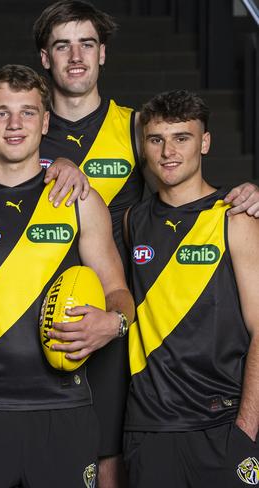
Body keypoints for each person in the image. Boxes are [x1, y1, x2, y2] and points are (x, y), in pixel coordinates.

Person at [0, 2, 259, 485]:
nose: (76, 56)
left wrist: (249, 191)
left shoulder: (133, 126)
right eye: (63, 45)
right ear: (45, 58)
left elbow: (185, 184)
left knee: (111, 465)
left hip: (123, 314)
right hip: (39, 324)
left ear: (103, 53)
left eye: (87, 43)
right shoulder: (18, 127)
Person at [0, 64, 134, 488]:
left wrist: (114, 322)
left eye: (28, 112)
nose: (15, 124)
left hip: (64, 407)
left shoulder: (78, 200)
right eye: (1, 113)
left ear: (46, 121)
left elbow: (118, 291)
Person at [123, 89, 259, 487]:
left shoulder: (235, 219)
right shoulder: (134, 221)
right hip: (148, 429)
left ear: (205, 142)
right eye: (156, 139)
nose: (168, 151)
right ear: (144, 147)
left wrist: (246, 428)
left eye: (181, 137)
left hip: (221, 425)